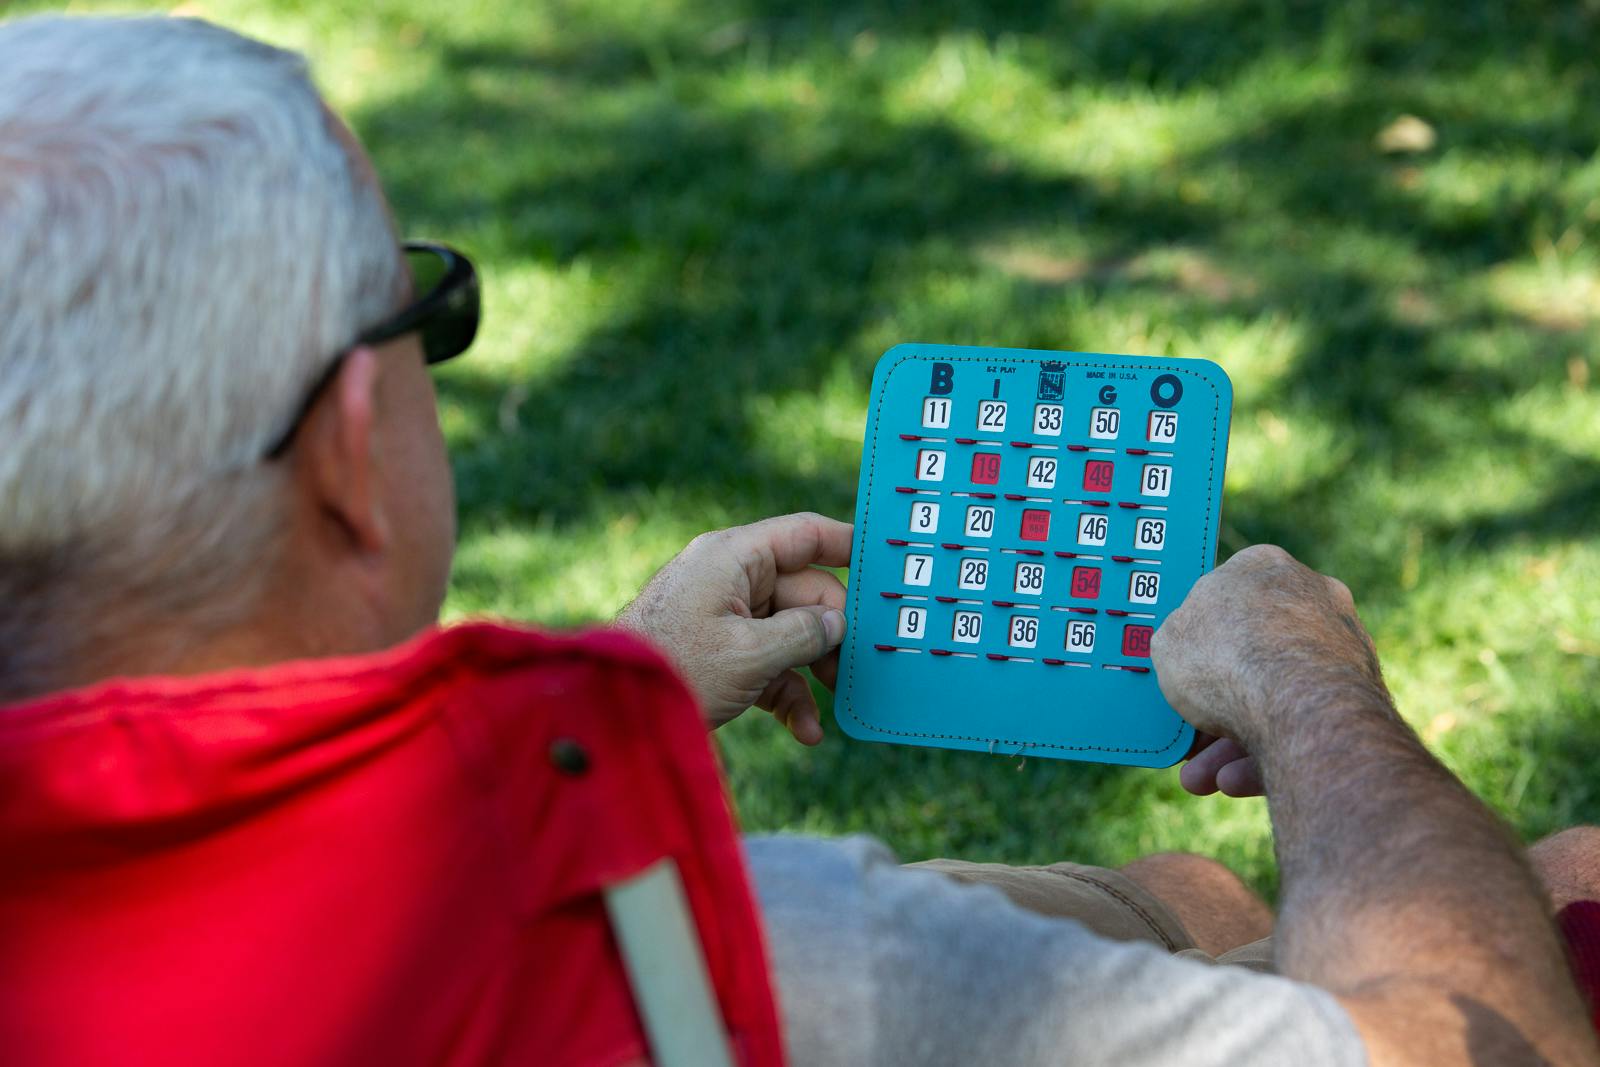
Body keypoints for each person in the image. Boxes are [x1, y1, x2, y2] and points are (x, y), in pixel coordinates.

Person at [0, 13, 1595, 1067]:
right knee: (1568, 894)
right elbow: (1485, 1047)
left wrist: (609, 691)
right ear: (353, 452)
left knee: (1187, 890)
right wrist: (1318, 691)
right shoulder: (745, 960)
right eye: (425, 306)